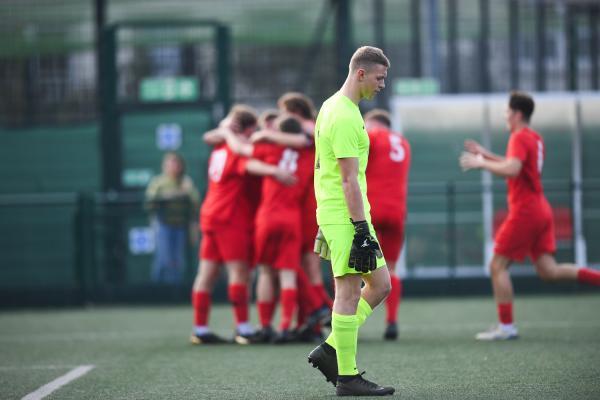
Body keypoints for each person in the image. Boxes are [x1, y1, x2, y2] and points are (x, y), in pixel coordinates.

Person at [460, 91, 600, 341]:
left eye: (507, 111)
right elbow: (515, 165)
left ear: (516, 114)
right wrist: (486, 155)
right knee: (549, 271)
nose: (505, 115)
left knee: (497, 265)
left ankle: (507, 327)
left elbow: (512, 169)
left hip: (526, 211)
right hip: (540, 209)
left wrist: (481, 163)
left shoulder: (518, 136)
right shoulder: (533, 137)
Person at [307, 46, 395, 396]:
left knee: (381, 285)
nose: (382, 84)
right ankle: (347, 377)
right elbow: (346, 179)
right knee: (347, 291)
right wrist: (359, 229)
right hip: (346, 215)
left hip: (341, 212)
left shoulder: (335, 107)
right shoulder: (343, 115)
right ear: (360, 74)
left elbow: (324, 169)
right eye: (379, 77)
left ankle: (331, 349)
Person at [190, 105, 296, 345]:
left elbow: (212, 137)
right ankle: (243, 328)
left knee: (206, 273)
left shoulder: (219, 146)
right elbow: (248, 165)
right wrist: (274, 170)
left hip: (210, 214)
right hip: (230, 217)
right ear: (247, 129)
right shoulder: (234, 147)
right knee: (239, 272)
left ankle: (200, 327)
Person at [364, 108, 411, 340]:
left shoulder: (371, 135)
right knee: (391, 269)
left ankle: (348, 322)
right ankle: (392, 321)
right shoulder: (403, 142)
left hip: (370, 209)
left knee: (352, 270)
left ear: (370, 122)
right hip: (397, 212)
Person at [145, 152, 200, 284]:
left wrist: (184, 192)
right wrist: (171, 195)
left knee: (177, 261)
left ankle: (174, 292)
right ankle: (158, 290)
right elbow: (150, 201)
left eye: (176, 163)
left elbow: (195, 201)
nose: (174, 166)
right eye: (170, 163)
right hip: (162, 225)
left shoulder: (186, 181)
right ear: (164, 165)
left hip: (180, 226)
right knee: (163, 259)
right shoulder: (158, 182)